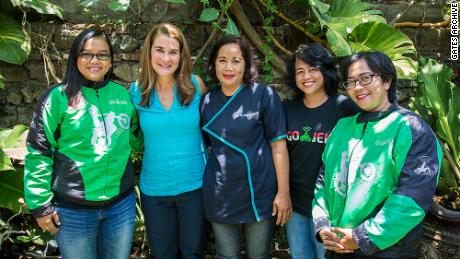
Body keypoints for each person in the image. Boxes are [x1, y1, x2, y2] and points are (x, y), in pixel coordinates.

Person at [312, 51, 443, 259]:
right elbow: (323, 179)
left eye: (366, 78)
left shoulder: (410, 128)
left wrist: (361, 237)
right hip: (338, 242)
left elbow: (413, 197)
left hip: (388, 247)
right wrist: (322, 225)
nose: (358, 87)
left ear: (387, 81)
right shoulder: (342, 127)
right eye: (351, 82)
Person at [24, 28, 141, 259]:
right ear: (75, 57)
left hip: (120, 206)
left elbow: (137, 138)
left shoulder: (123, 95)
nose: (94, 61)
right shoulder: (56, 98)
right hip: (73, 211)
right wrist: (40, 206)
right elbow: (39, 152)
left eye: (103, 55)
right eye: (87, 54)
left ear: (111, 61)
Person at [200, 35, 292, 259]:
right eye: (222, 60)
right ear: (214, 64)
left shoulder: (263, 95)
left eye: (236, 60)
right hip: (220, 193)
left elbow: (278, 147)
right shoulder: (206, 101)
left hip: (259, 193)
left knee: (259, 254)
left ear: (247, 64)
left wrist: (283, 193)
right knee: (226, 255)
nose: (229, 67)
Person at [129, 23, 207, 259]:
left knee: (192, 253)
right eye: (159, 50)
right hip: (155, 190)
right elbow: (130, 137)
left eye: (173, 52)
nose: (166, 58)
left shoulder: (195, 86)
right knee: (163, 254)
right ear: (148, 52)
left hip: (195, 186)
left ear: (181, 56)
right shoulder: (136, 91)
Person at [283, 43, 358, 259]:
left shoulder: (346, 108)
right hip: (296, 206)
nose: (306, 76)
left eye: (313, 68)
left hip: (331, 207)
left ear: (325, 69)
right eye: (300, 71)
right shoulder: (287, 107)